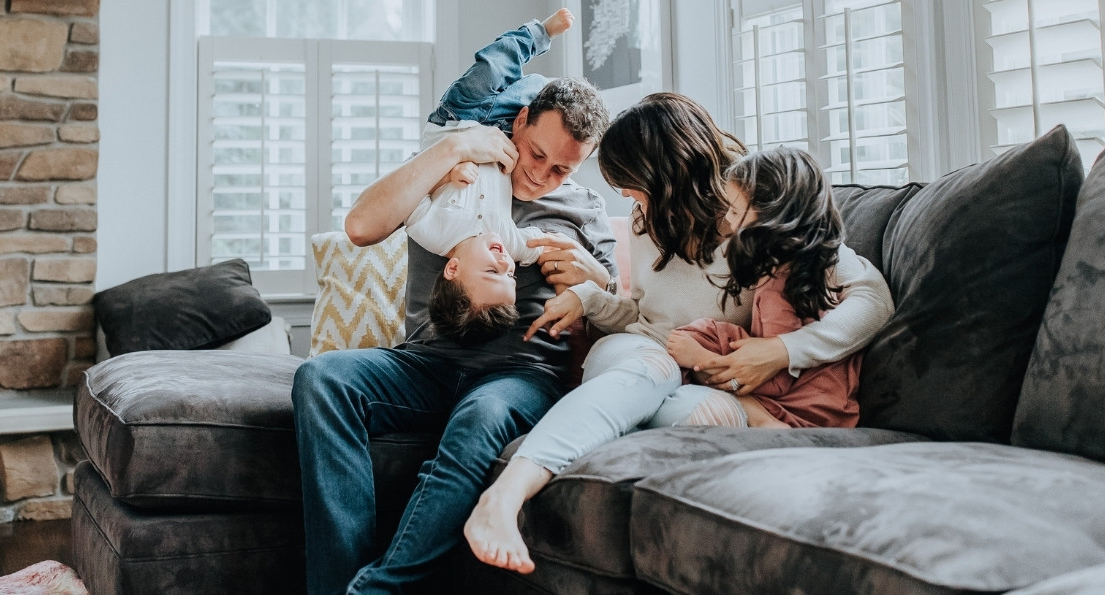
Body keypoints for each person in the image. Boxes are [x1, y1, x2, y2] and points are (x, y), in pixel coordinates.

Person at [463, 92, 895, 574]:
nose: (626, 197)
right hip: (642, 354)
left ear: (665, 174)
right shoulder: (644, 221)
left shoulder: (754, 211)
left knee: (693, 413)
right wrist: (590, 298)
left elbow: (873, 299)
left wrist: (781, 351)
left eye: (631, 184)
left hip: (705, 380)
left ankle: (584, 446)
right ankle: (505, 495)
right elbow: (643, 319)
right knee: (652, 370)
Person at [291, 52, 615, 595]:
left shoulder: (585, 210)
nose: (542, 175)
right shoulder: (456, 171)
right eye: (537, 154)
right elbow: (361, 226)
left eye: (562, 168)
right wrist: (453, 146)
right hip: (425, 362)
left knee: (481, 415)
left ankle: (377, 589)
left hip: (520, 374)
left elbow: (621, 312)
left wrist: (596, 280)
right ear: (519, 123)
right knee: (321, 379)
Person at [402, 9, 574, 344]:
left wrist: (446, 175)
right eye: (510, 273)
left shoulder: (432, 233)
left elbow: (412, 191)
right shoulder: (509, 241)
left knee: (494, 65)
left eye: (491, 270)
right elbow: (544, 247)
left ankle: (540, 33)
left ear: (453, 270)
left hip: (457, 118)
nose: (504, 261)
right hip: (502, 131)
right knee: (540, 92)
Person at [662, 146, 863, 430]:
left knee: (702, 353)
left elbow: (776, 382)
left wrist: (702, 359)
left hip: (807, 411)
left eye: (734, 210)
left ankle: (764, 423)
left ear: (770, 217)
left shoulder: (778, 288)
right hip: (830, 403)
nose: (728, 221)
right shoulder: (810, 269)